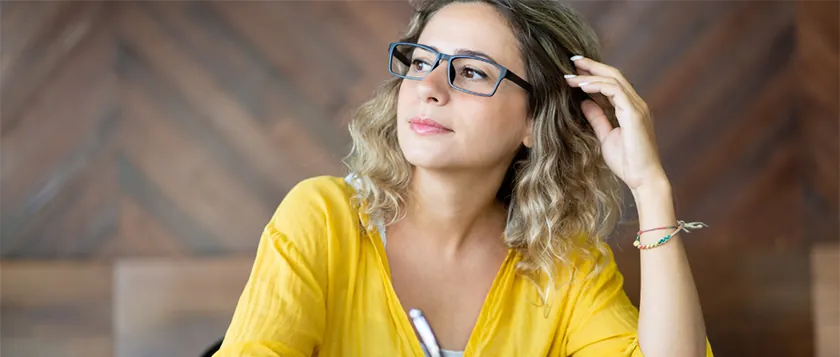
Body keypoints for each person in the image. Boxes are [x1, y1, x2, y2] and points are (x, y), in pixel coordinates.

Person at [214, 0, 714, 356]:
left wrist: (651, 189)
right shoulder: (322, 219)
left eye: (471, 72)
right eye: (422, 62)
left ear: (533, 122)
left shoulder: (566, 268)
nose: (428, 87)